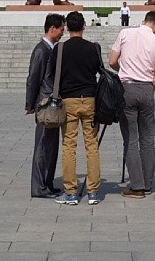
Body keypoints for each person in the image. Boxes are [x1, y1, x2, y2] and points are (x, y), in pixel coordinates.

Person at [109, 11, 155, 198]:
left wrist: (124, 71)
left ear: (144, 21)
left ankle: (137, 185)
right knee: (148, 139)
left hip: (127, 88)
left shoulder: (125, 33)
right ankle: (148, 183)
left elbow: (112, 61)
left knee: (131, 139)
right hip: (147, 90)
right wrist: (148, 87)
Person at [53, 12, 102, 206]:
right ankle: (93, 192)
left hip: (69, 100)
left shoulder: (60, 48)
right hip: (89, 99)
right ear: (84, 26)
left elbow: (52, 73)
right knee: (92, 146)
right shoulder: (93, 48)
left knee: (68, 145)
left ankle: (71, 192)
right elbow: (99, 70)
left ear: (66, 27)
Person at [25, 13, 65, 197]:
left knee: (51, 145)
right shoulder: (41, 50)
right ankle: (38, 187)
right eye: (61, 29)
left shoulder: (51, 49)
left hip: (53, 104)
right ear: (52, 28)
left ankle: (47, 183)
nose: (63, 32)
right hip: (44, 104)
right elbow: (33, 78)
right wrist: (30, 104)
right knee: (42, 146)